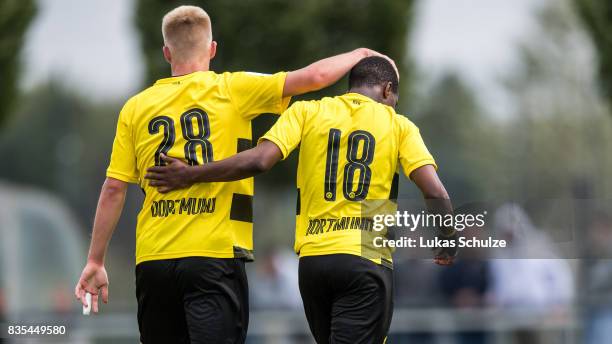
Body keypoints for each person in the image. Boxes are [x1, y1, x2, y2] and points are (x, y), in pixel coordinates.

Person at [73, 5, 394, 343]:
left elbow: (113, 188)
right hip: (215, 256)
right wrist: (362, 53)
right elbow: (313, 78)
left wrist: (95, 260)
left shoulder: (135, 108)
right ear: (212, 49)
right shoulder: (233, 89)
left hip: (154, 259)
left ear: (167, 52)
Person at [146, 56, 456, 343]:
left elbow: (259, 161)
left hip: (313, 264)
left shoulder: (307, 111)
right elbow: (434, 191)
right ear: (388, 90)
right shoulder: (399, 125)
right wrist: (447, 238)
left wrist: (192, 174)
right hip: (365, 259)